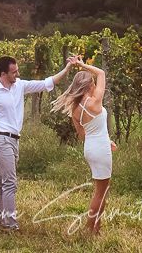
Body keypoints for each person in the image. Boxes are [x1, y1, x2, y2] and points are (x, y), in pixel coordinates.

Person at [0, 54, 72, 231]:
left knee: (1, 180)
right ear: (3, 74)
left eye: (17, 71)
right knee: (10, 181)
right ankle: (10, 224)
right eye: (14, 72)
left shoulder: (20, 86)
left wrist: (67, 69)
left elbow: (46, 83)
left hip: (14, 139)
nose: (17, 74)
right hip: (0, 139)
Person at [50, 54, 117, 235]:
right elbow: (102, 73)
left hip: (90, 148)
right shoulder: (95, 102)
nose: (96, 85)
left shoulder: (75, 109)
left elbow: (83, 135)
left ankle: (97, 227)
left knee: (100, 189)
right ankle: (90, 228)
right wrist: (82, 64)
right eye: (92, 84)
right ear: (89, 86)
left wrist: (104, 139)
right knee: (101, 192)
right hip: (100, 149)